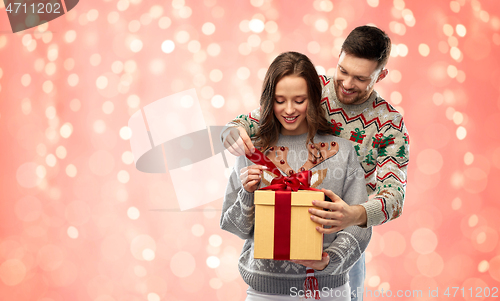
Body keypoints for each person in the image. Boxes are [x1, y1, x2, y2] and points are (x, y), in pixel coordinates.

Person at [222, 25, 410, 301]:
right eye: (343, 71)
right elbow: (256, 120)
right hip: (276, 249)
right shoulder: (312, 88)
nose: (346, 84)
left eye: (360, 78)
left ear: (381, 75)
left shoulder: (388, 124)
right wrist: (232, 129)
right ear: (338, 57)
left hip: (343, 236)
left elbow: (395, 196)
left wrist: (353, 214)